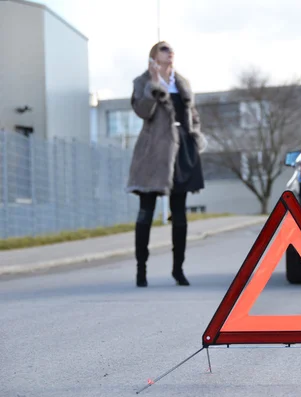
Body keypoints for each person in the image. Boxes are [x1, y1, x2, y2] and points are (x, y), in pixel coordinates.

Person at [126, 41, 207, 288]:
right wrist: (153, 84)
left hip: (183, 150)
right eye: (163, 49)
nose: (169, 51)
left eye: (171, 49)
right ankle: (141, 270)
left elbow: (192, 114)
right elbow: (142, 111)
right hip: (153, 152)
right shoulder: (142, 82)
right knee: (146, 212)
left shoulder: (182, 82)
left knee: (180, 214)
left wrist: (194, 136)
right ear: (153, 56)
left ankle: (178, 270)